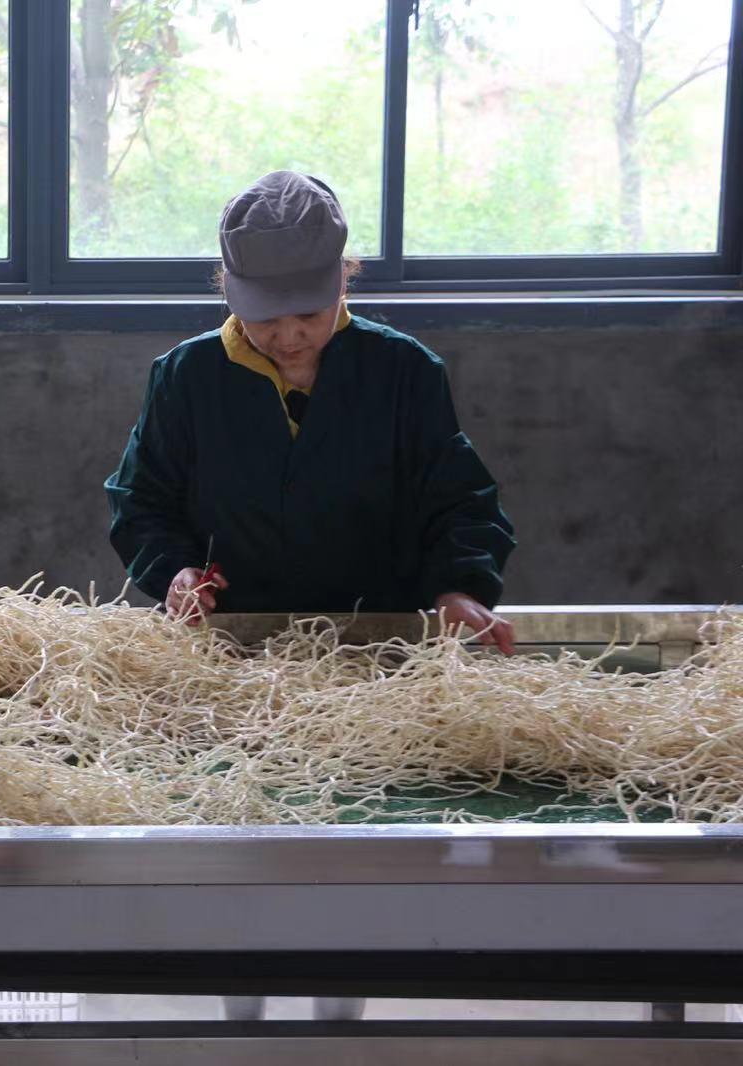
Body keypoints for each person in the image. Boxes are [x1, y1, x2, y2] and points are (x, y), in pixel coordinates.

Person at [104, 171, 519, 1023]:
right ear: (224, 290)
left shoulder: (403, 374)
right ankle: (240, 999)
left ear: (346, 283)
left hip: (371, 657)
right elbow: (142, 501)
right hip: (231, 663)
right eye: (267, 319)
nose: (291, 338)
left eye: (310, 315)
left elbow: (460, 499)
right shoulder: (185, 379)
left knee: (355, 836)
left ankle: (342, 1005)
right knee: (237, 828)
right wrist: (174, 570)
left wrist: (459, 587)